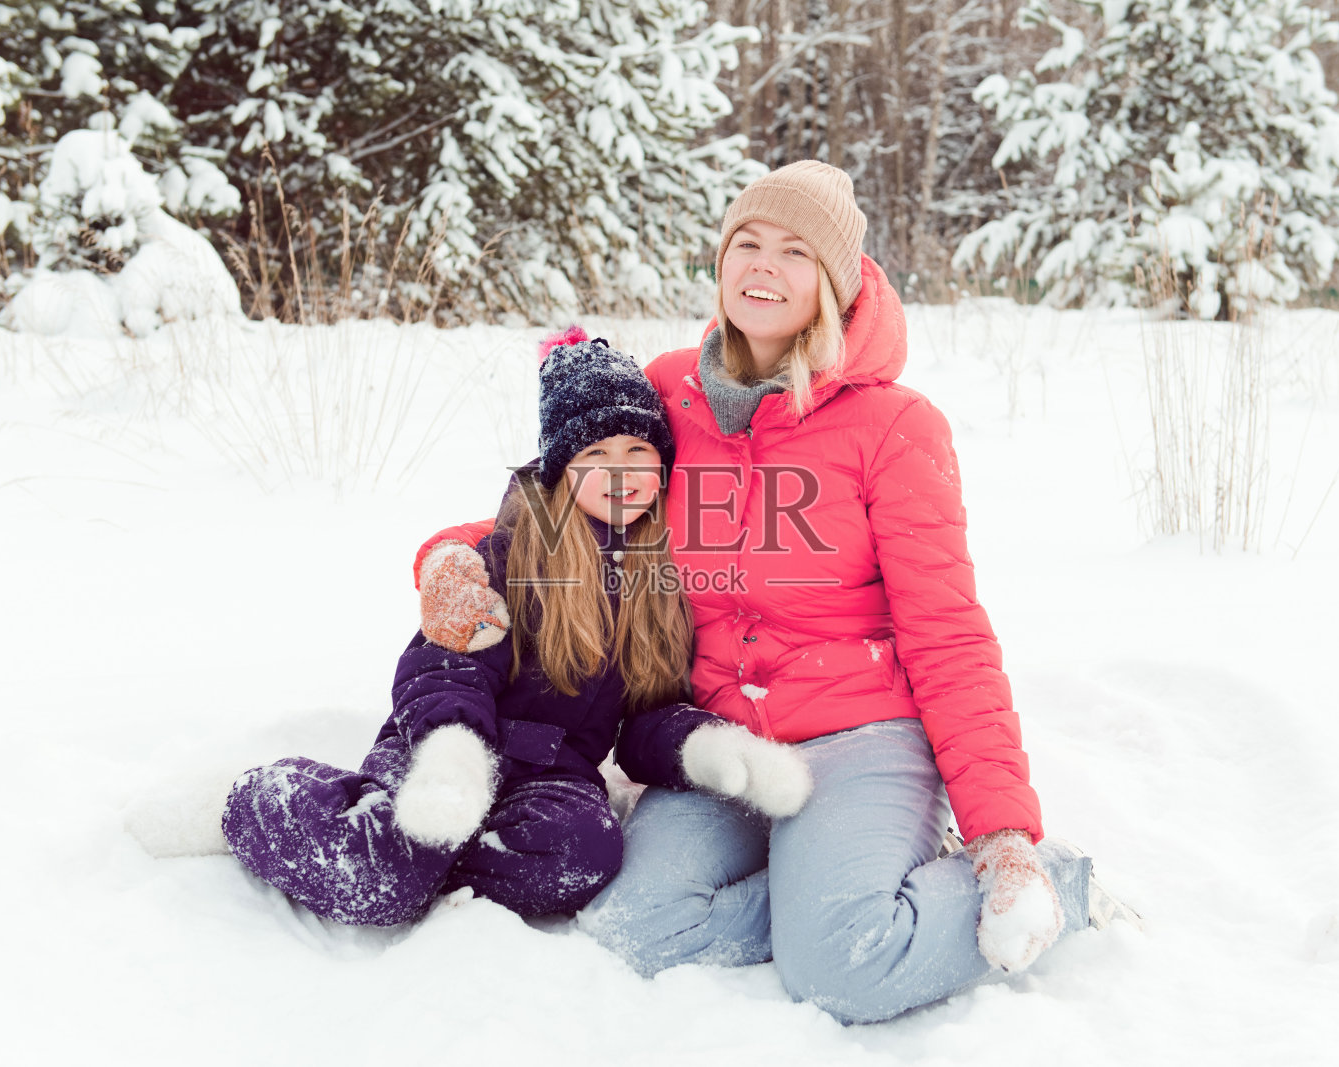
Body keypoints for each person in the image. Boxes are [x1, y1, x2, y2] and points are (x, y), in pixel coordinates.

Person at [415, 161, 1124, 1022]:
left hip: (862, 735)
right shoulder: (673, 390)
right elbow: (560, 495)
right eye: (746, 242)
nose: (762, 264)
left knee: (847, 968)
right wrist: (452, 559)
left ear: (834, 281)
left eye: (794, 251)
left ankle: (1052, 884)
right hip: (723, 743)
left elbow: (948, 634)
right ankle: (822, 900)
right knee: (631, 927)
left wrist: (1004, 832)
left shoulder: (897, 428)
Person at [219, 330, 812, 925]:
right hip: (443, 748)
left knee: (579, 855)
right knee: (381, 880)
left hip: (555, 776)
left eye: (637, 452)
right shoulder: (511, 554)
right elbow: (448, 663)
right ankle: (256, 801)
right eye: (594, 456)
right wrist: (453, 752)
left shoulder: (665, 577)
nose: (619, 473)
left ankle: (422, 862)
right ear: (561, 469)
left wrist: (701, 749)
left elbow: (647, 717)